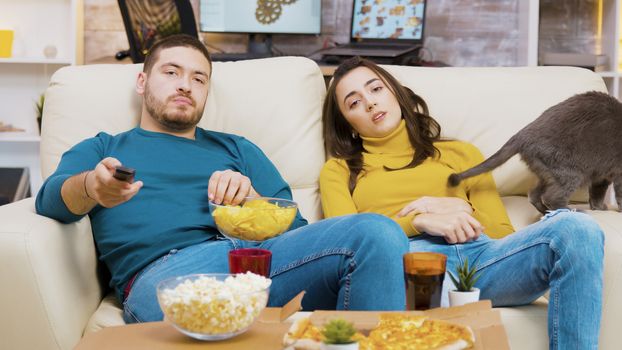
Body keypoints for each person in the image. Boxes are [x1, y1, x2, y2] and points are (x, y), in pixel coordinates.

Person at [35, 35, 409, 323]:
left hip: (258, 263)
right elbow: (50, 200)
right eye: (172, 72)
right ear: (141, 81)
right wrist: (91, 187)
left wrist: (252, 202)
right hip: (167, 273)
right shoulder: (105, 147)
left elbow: (297, 228)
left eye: (198, 78)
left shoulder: (237, 149)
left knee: (378, 232)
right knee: (206, 307)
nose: (185, 85)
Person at [320, 56, 604, 350]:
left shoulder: (461, 153)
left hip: (482, 256)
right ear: (348, 126)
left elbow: (501, 232)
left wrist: (461, 209)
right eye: (354, 103)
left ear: (395, 93)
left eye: (376, 89)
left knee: (577, 227)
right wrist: (417, 218)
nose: (369, 103)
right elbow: (349, 243)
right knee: (428, 294)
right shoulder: (339, 170)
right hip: (410, 261)